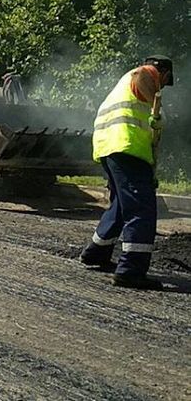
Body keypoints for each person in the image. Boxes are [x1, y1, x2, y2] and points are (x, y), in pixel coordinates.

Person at [80, 55, 174, 290]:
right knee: (142, 209)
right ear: (161, 71)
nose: (163, 85)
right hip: (127, 148)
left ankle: (96, 252)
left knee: (121, 206)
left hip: (110, 148)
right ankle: (131, 271)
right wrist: (157, 114)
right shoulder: (145, 73)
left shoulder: (122, 86)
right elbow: (142, 76)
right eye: (165, 79)